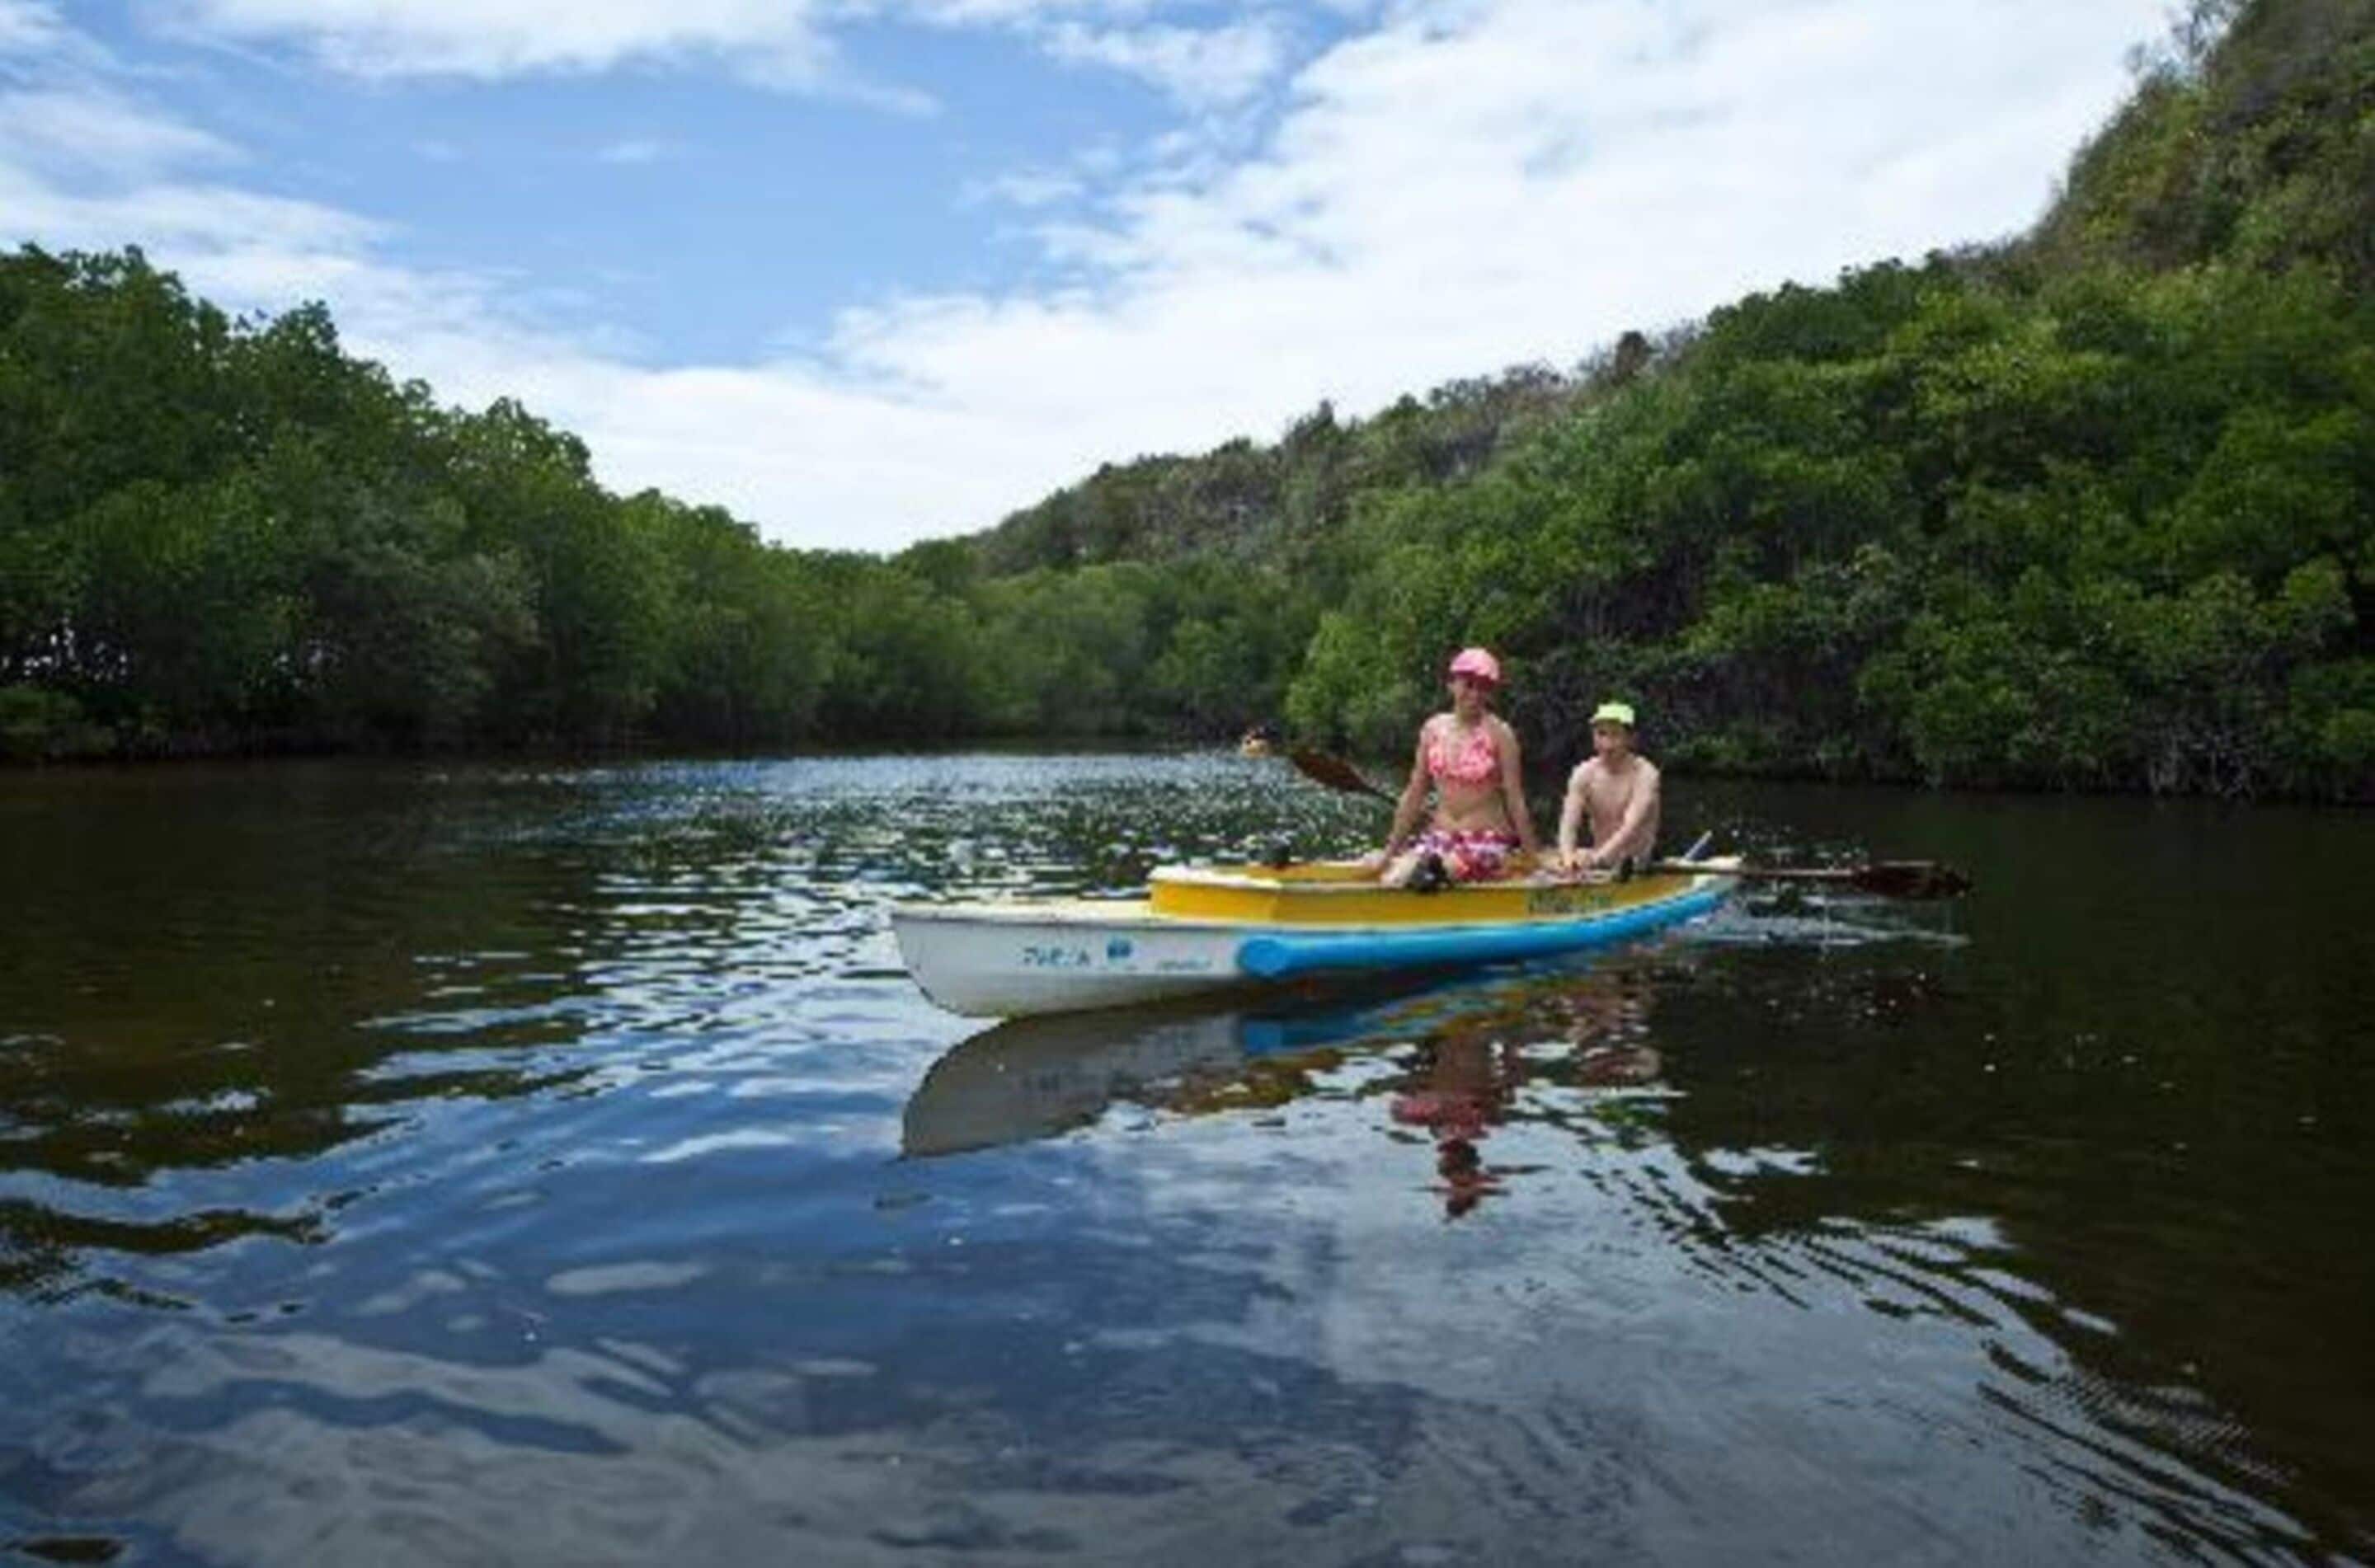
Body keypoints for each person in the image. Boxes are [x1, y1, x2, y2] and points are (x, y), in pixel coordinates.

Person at [1376, 647, 1545, 886]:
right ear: (1452, 684)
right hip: (1440, 839)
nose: (1475, 694)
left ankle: (1434, 874)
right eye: (1468, 685)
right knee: (1394, 877)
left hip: (1486, 841)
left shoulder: (1500, 734)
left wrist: (1533, 857)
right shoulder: (1432, 729)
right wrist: (1389, 852)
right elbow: (1414, 794)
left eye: (1483, 688)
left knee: (1433, 871)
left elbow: (1515, 799)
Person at [1554, 701, 1661, 875]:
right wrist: (1567, 856)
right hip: (1601, 864)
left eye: (1616, 735)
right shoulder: (1584, 773)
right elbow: (1568, 825)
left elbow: (1630, 826)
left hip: (1637, 865)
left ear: (1631, 739)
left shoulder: (1646, 775)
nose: (1607, 744)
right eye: (1601, 734)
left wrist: (1598, 859)